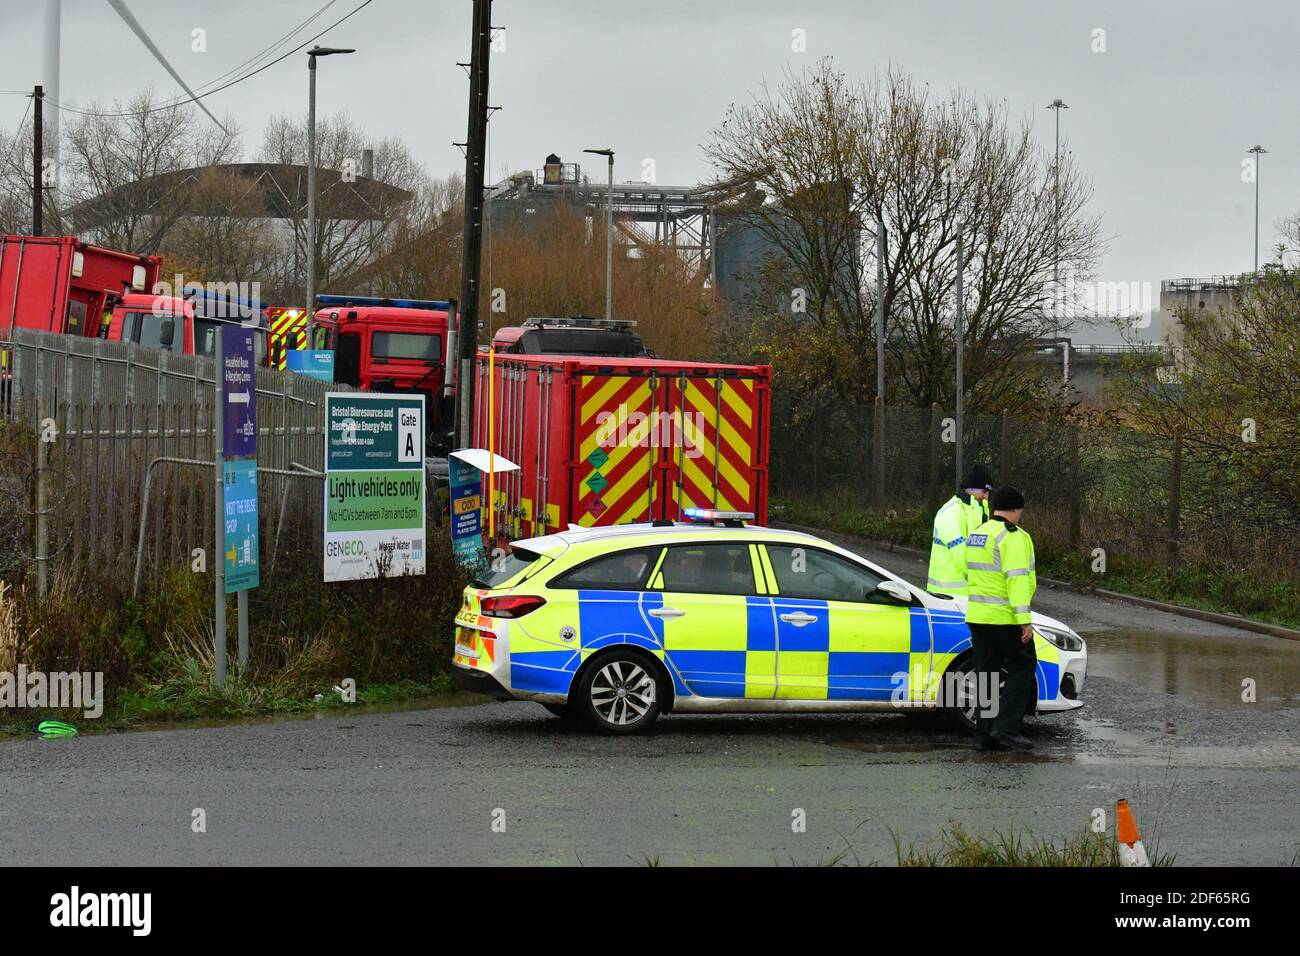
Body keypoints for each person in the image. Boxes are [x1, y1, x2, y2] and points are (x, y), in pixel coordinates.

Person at [964, 484, 1037, 752]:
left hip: (978, 616)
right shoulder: (1013, 536)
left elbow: (968, 573)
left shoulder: (978, 533)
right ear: (1016, 510)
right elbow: (1016, 580)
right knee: (1023, 666)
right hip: (1004, 618)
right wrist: (1024, 619)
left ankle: (983, 735)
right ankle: (1006, 728)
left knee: (987, 674)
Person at [927, 464, 993, 595]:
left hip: (966, 593)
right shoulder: (952, 512)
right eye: (984, 492)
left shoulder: (977, 510)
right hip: (947, 595)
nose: (986, 497)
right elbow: (961, 555)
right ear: (971, 489)